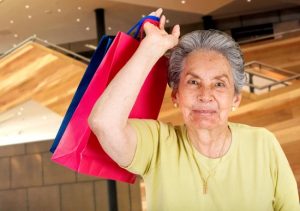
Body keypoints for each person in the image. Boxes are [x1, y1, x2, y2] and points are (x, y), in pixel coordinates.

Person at [88, 8, 300, 211]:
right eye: (193, 82)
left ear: (236, 98)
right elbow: (104, 123)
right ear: (175, 96)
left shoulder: (263, 143)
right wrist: (150, 49)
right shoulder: (157, 144)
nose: (205, 95)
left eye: (219, 84)